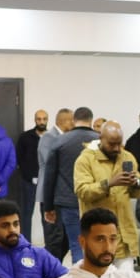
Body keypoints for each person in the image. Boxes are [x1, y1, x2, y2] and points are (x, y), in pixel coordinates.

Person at [73, 120, 140, 271]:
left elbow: (137, 191)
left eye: (119, 143)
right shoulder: (85, 159)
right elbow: (82, 191)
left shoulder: (127, 157)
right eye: (112, 144)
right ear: (101, 138)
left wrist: (136, 183)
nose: (117, 148)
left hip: (124, 235)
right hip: (98, 235)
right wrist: (109, 183)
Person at [42, 107, 99, 263]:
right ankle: (95, 276)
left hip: (68, 201)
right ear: (91, 120)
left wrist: (48, 207)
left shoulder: (60, 141)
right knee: (96, 243)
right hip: (95, 200)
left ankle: (80, 276)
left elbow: (50, 175)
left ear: (74, 120)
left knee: (76, 244)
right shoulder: (100, 142)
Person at [37, 108, 73, 261]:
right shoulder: (49, 137)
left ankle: (53, 265)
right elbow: (50, 162)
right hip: (49, 195)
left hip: (61, 195)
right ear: (64, 121)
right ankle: (50, 269)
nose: (74, 124)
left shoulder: (65, 138)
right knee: (54, 238)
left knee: (65, 238)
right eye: (72, 121)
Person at [16, 109, 48, 242]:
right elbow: (19, 159)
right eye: (39, 119)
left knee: (47, 214)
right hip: (29, 181)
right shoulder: (25, 137)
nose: (41, 122)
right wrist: (28, 176)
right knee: (26, 213)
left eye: (44, 119)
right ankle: (25, 242)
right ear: (35, 120)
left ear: (47, 120)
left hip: (47, 182)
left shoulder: (52, 138)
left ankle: (49, 243)